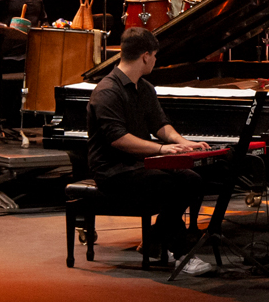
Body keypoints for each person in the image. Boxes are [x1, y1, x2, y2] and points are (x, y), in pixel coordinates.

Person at [85, 27, 214, 274]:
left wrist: (183, 143)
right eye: (154, 55)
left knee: (192, 180)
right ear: (145, 56)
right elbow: (119, 139)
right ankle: (181, 254)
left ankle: (155, 240)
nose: (155, 60)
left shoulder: (144, 88)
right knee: (171, 185)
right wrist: (163, 150)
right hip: (113, 170)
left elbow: (160, 124)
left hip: (139, 165)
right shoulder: (107, 91)